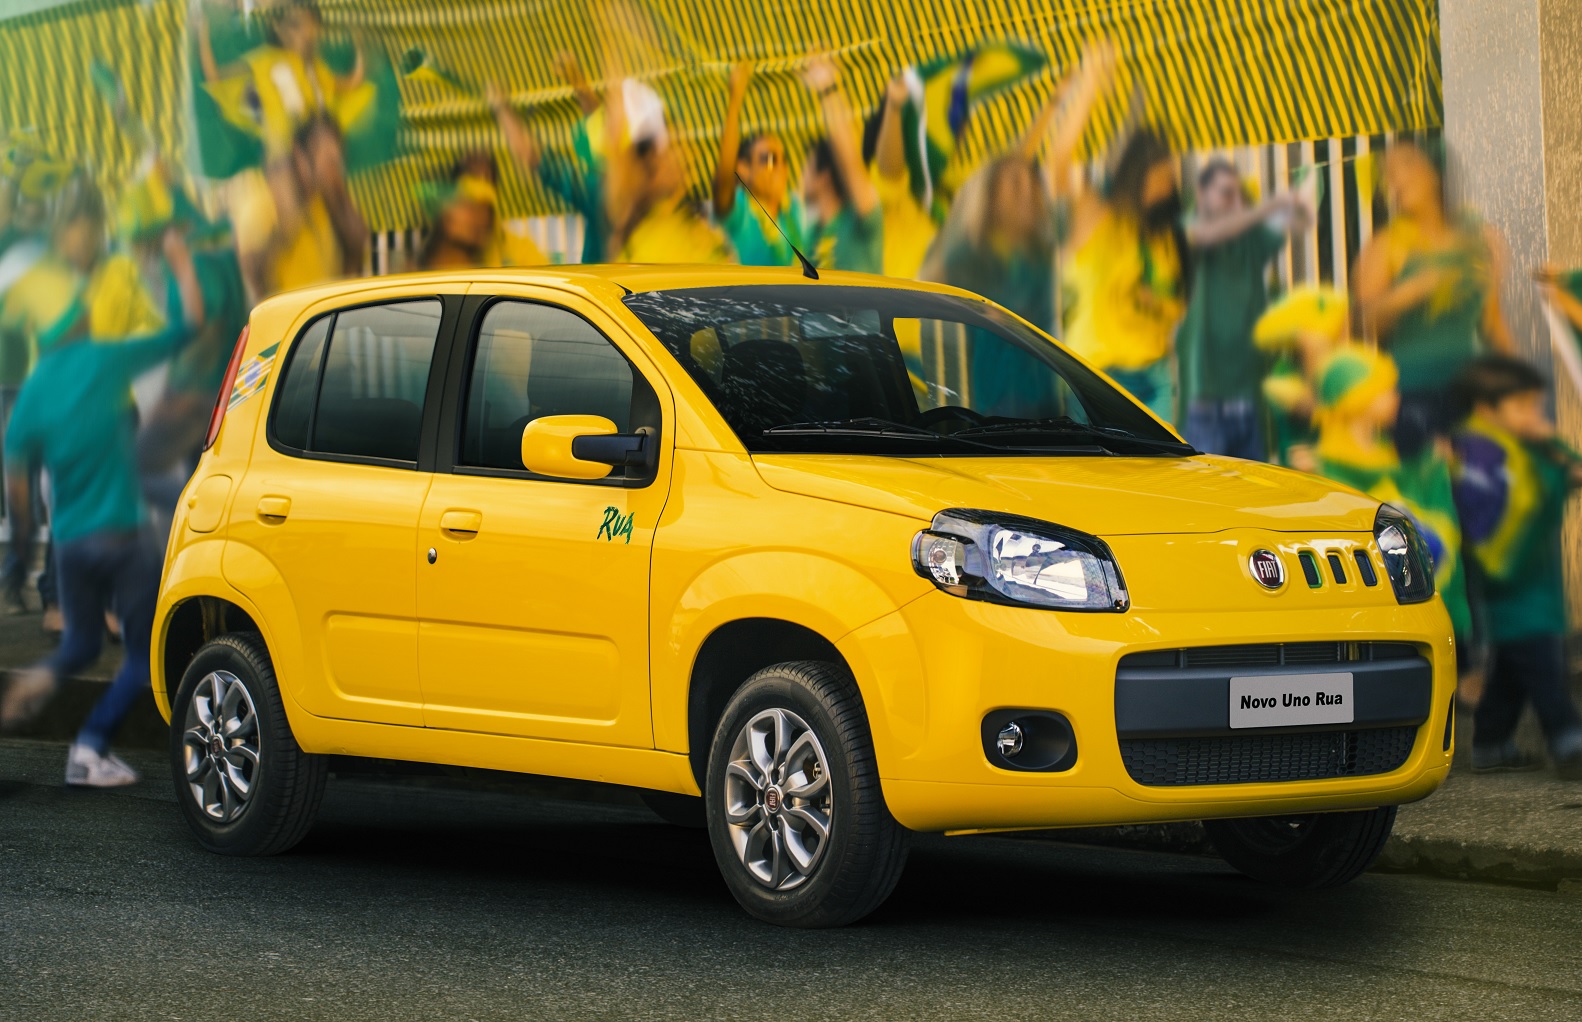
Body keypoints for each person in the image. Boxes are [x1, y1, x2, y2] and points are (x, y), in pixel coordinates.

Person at [0, 227, 205, 786]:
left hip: (68, 545)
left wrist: (19, 559)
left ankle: (25, 691)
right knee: (142, 658)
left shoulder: (35, 388)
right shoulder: (106, 361)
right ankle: (88, 751)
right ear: (82, 321)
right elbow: (187, 326)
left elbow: (17, 490)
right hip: (121, 537)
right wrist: (180, 261)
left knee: (80, 646)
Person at [1450, 356, 1582, 779]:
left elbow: (1565, 470)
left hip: (1533, 577)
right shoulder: (1477, 452)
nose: (1535, 416)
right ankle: (1567, 737)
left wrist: (1553, 446)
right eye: (1523, 407)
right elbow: (1521, 506)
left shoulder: (1518, 445)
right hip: (1510, 576)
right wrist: (1559, 468)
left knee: (1514, 662)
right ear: (1487, 409)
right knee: (1540, 655)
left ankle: (1491, 741)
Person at [1354, 137, 1514, 458]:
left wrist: (1520, 384)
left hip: (1476, 394)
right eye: (1389, 173)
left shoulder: (1480, 239)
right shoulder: (1385, 246)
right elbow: (1364, 323)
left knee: (1481, 496)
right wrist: (1405, 294)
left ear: (1435, 171)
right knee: (1428, 500)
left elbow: (1492, 320)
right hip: (1416, 396)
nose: (1396, 179)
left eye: (1406, 166)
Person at [1309, 344, 1470, 642]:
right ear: (1357, 399)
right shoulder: (1329, 468)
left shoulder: (1400, 455)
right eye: (1385, 390)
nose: (1396, 397)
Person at [1178, 160, 1310, 459]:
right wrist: (1264, 209)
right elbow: (1203, 235)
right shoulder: (1192, 233)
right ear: (1201, 196)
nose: (1235, 203)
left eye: (1240, 196)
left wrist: (1305, 184)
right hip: (1205, 404)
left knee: (1249, 501)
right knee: (1205, 496)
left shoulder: (1250, 242)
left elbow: (1299, 220)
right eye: (1226, 194)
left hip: (1249, 402)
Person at [1061, 129, 1187, 422]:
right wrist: (1087, 88)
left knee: (1160, 468)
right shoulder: (1099, 217)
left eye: (1171, 176)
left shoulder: (1166, 235)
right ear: (1138, 173)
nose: (1168, 185)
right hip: (1098, 374)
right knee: (1098, 468)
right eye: (1163, 174)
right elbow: (1059, 164)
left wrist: (1158, 301)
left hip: (1155, 375)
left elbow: (1176, 303)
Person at [196, 0, 367, 160]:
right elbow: (215, 77)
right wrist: (202, 34)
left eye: (311, 27)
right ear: (278, 28)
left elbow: (351, 83)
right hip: (278, 145)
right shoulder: (264, 61)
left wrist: (360, 47)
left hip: (306, 143)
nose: (305, 33)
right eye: (295, 25)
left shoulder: (315, 69)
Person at [232, 115, 368, 301]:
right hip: (289, 324)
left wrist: (340, 200)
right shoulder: (261, 203)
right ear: (300, 155)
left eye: (336, 162)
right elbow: (254, 279)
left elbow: (356, 252)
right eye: (326, 160)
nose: (331, 171)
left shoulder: (322, 201)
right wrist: (287, 223)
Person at [711, 63, 804, 267]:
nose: (779, 167)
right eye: (769, 159)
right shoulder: (739, 211)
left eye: (783, 159)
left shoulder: (793, 212)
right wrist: (735, 100)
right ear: (744, 170)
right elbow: (725, 177)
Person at [1253, 285, 1349, 473]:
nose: (1343, 335)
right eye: (1339, 327)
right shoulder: (1281, 378)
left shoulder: (1335, 371)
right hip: (1299, 470)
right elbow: (1321, 408)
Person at [800, 56, 882, 274]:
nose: (799, 176)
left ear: (823, 176)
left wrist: (828, 90)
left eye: (805, 167)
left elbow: (849, 161)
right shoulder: (812, 235)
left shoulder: (859, 220)